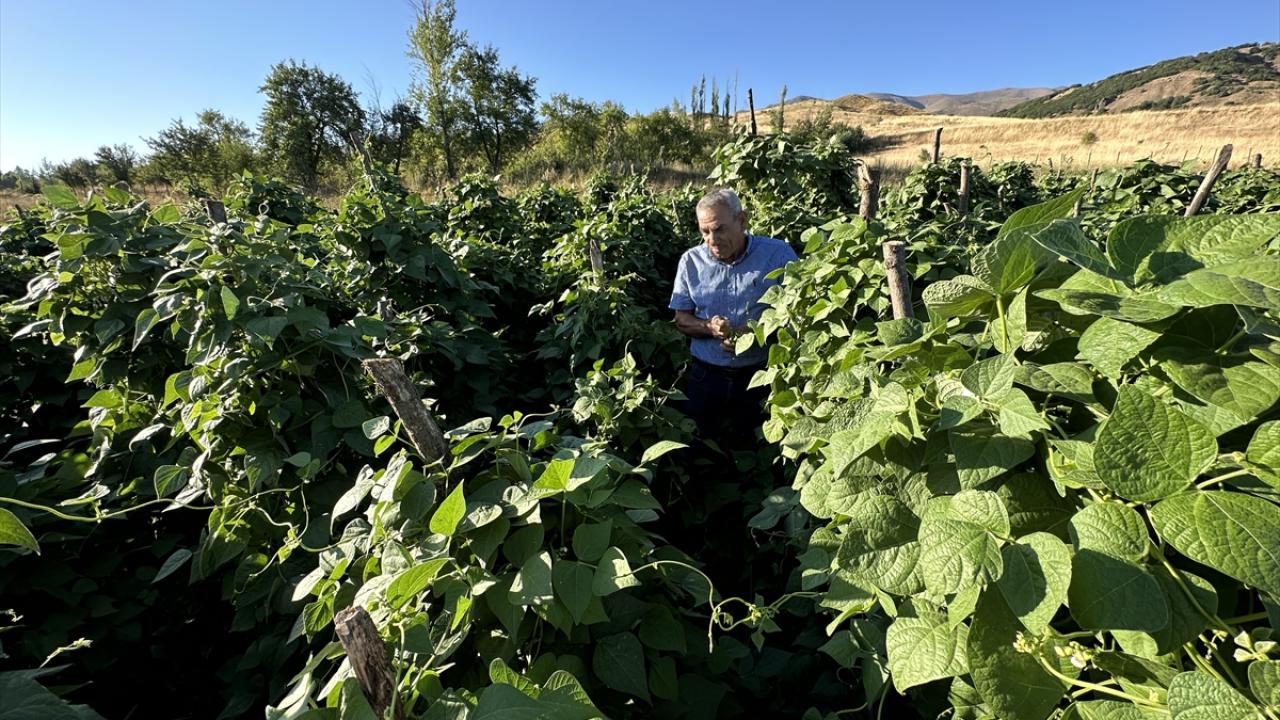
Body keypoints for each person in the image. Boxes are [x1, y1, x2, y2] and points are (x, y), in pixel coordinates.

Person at [668, 188, 797, 450]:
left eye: (719, 229)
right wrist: (709, 328)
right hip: (706, 377)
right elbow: (681, 319)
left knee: (760, 448)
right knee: (699, 446)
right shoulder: (691, 261)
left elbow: (799, 313)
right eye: (705, 232)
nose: (712, 240)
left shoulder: (778, 255)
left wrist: (750, 333)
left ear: (742, 220)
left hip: (761, 376)